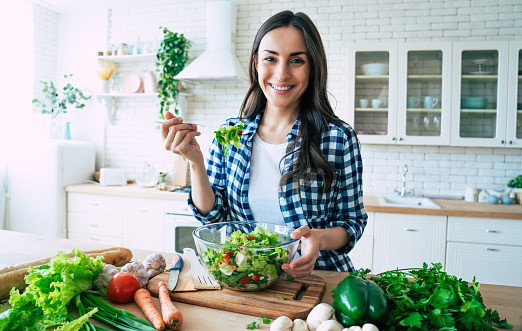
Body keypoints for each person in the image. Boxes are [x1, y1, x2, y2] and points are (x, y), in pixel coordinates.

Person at [161, 10, 367, 278]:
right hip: (246, 280)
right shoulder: (230, 134)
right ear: (257, 62)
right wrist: (195, 163)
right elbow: (213, 218)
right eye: (271, 58)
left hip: (319, 279)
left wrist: (316, 239)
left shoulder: (338, 138)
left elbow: (351, 222)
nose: (281, 74)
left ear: (312, 67)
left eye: (296, 60)